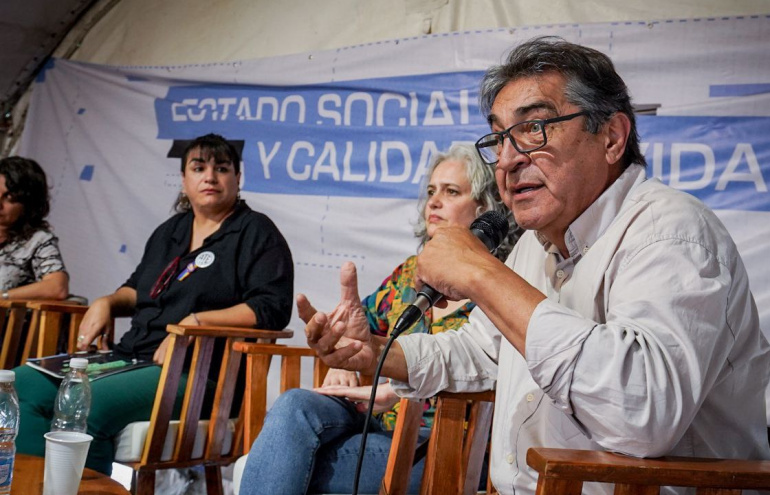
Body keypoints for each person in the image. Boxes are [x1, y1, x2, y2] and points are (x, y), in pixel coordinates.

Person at [302, 37, 770, 495]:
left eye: (534, 129)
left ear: (611, 137)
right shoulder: (534, 245)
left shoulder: (672, 231)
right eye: (499, 138)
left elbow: (642, 412)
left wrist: (481, 273)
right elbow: (478, 351)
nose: (507, 160)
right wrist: (375, 353)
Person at [240, 144, 518, 495]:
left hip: (449, 442)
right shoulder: (407, 276)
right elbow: (361, 328)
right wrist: (344, 353)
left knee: (279, 461)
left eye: (451, 192)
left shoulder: (501, 283)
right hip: (380, 422)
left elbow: (504, 372)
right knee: (295, 405)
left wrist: (395, 391)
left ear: (484, 209)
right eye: (431, 191)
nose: (433, 202)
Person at [13, 133, 294, 475]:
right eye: (199, 168)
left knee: (87, 403)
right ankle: (33, 484)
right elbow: (139, 289)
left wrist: (197, 322)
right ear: (183, 179)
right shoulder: (171, 230)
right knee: (18, 385)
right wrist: (108, 301)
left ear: (237, 178)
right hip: (131, 357)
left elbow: (272, 307)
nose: (210, 176)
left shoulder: (256, 232)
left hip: (200, 373)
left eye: (221, 168)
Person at [0, 156, 69, 301]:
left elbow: (57, 288)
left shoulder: (36, 240)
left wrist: (3, 296)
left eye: (9, 197)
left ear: (28, 204)